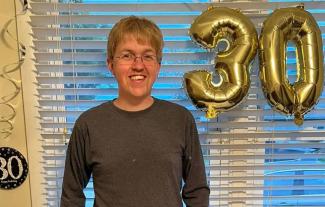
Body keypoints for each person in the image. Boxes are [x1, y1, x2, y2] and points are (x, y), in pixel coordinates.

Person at [60, 16, 210, 207]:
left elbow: (197, 191)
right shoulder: (88, 125)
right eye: (127, 55)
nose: (138, 65)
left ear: (158, 66)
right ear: (110, 65)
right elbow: (71, 196)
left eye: (148, 56)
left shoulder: (180, 120)